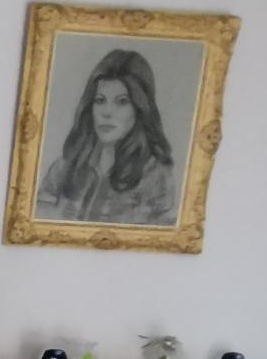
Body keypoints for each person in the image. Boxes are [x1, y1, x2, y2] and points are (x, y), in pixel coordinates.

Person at [36, 48, 177, 226]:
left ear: (140, 109)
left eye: (122, 102)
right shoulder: (66, 166)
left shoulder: (155, 175)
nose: (107, 113)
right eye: (100, 100)